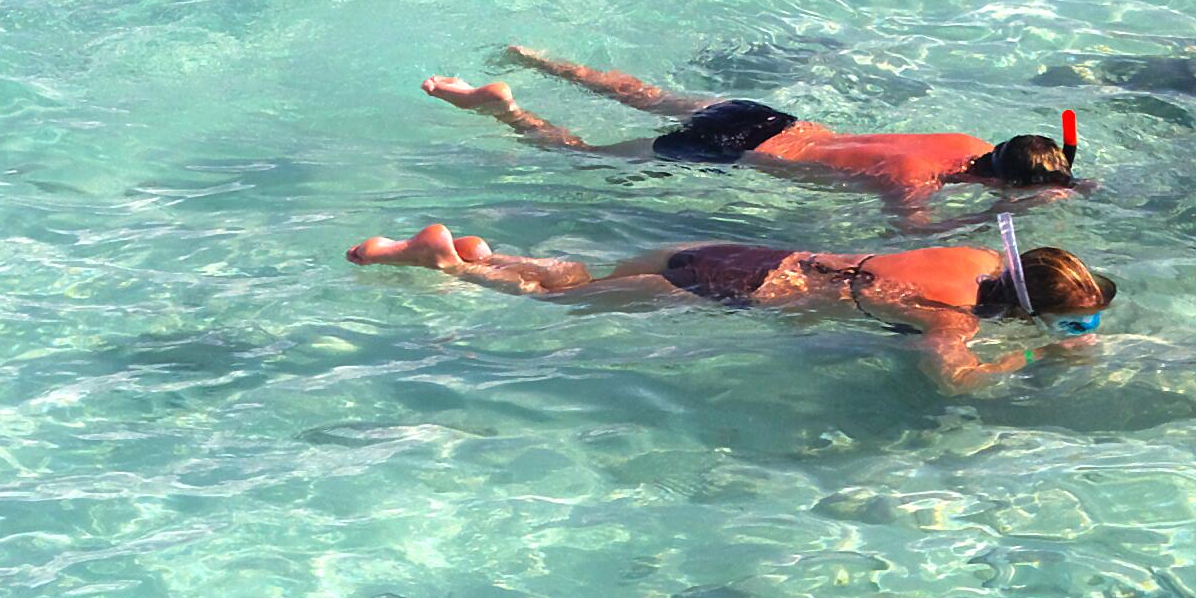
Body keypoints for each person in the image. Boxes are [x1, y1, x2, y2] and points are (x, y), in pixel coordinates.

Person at [345, 220, 1115, 393]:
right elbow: (951, 381)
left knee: (585, 281)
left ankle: (490, 253)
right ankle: (448, 264)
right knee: (571, 309)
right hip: (744, 290)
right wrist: (1042, 354)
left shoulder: (978, 257)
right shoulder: (952, 319)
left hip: (749, 254)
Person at [416, 45, 1077, 230]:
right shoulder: (913, 185)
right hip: (737, 153)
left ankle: (534, 59)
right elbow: (910, 233)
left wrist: (1036, 182)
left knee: (639, 92)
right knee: (582, 157)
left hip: (770, 120)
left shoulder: (958, 136)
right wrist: (999, 210)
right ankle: (500, 109)